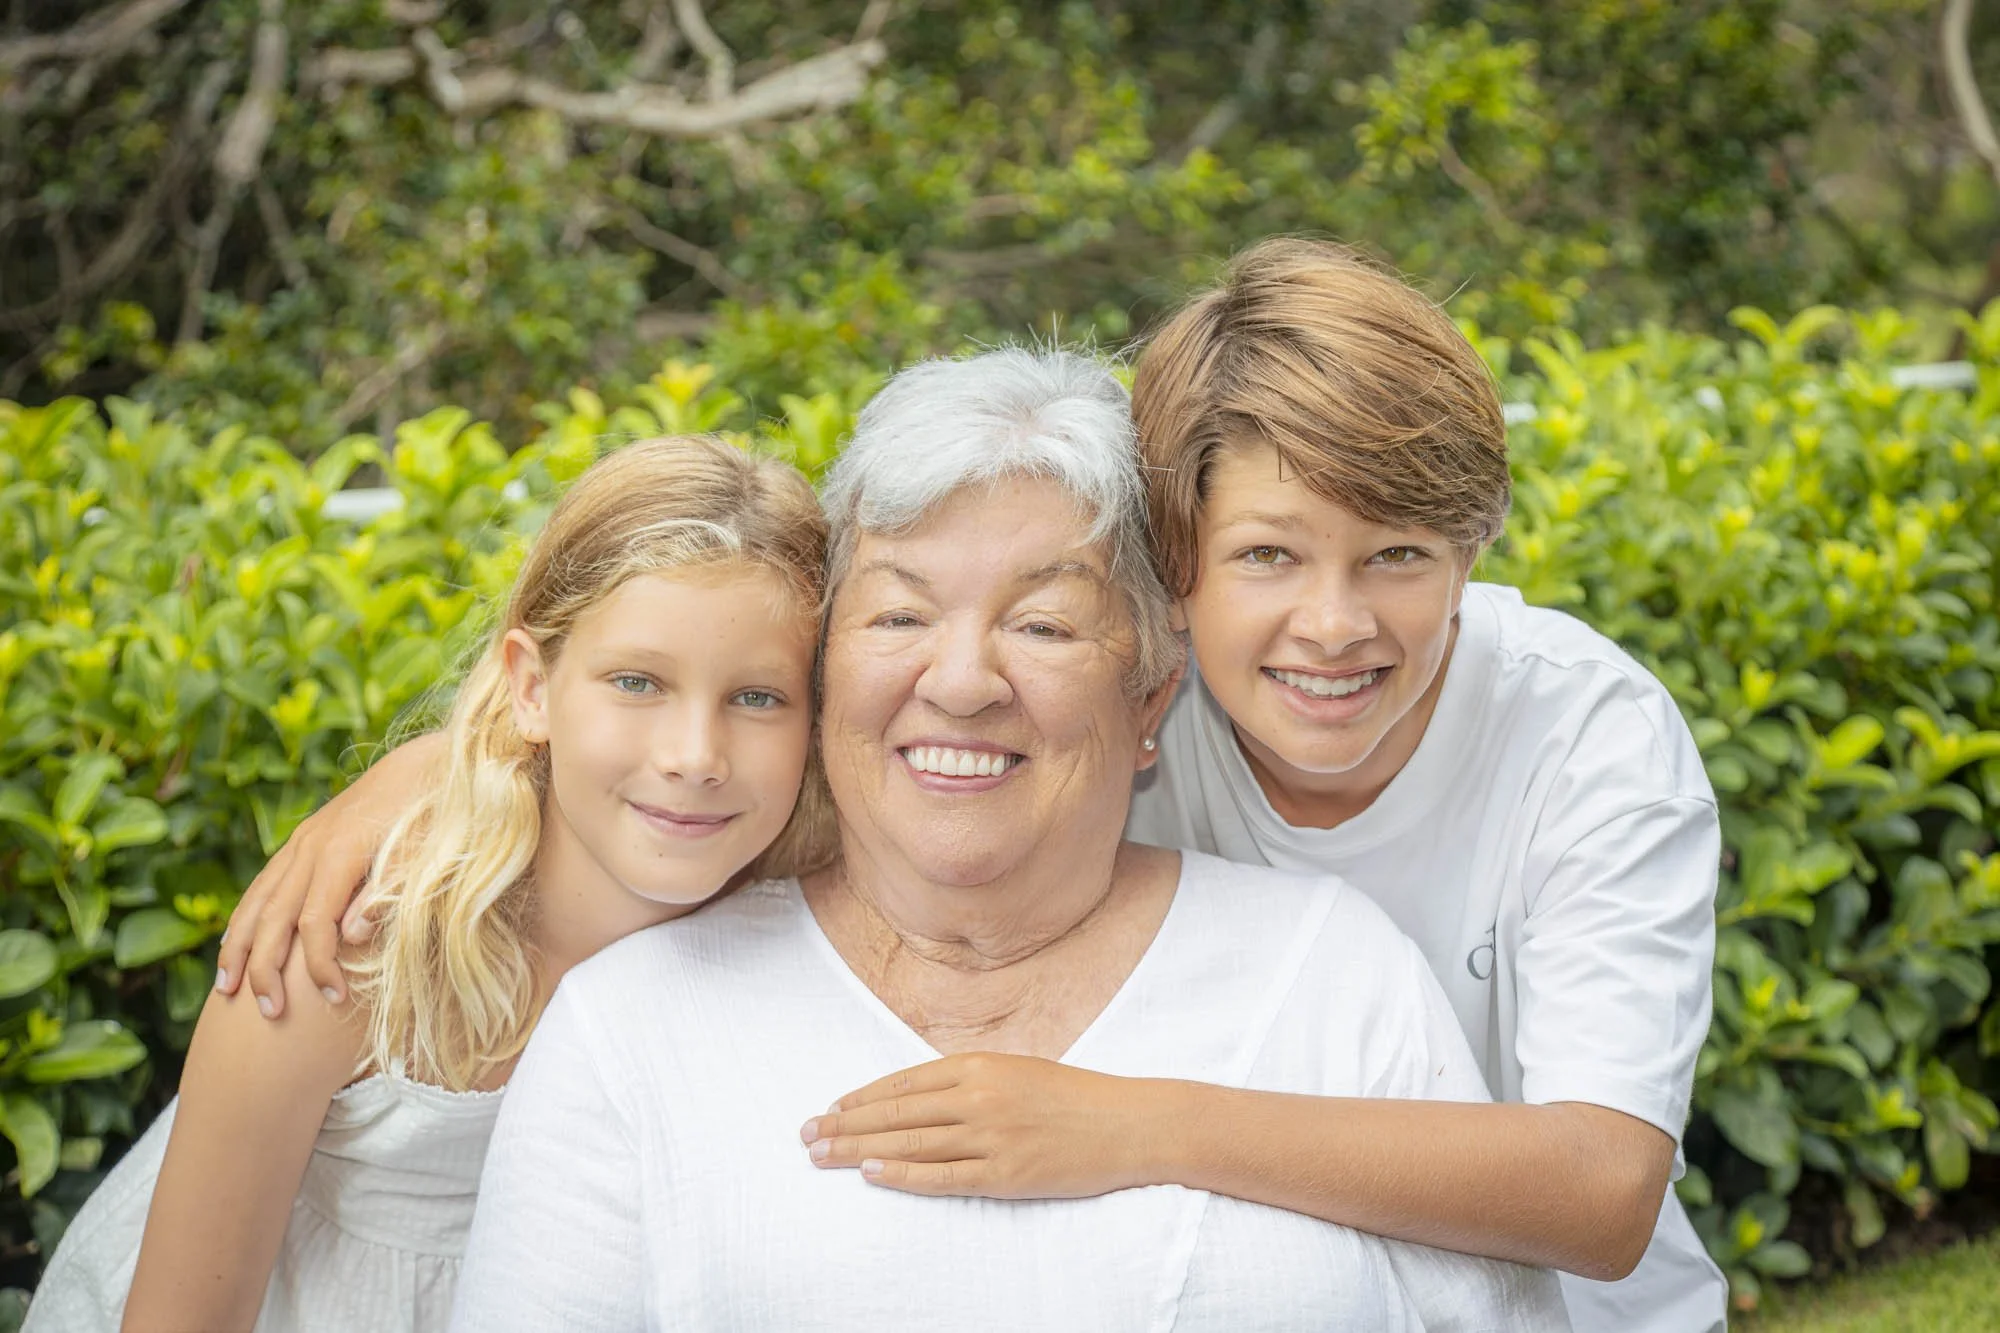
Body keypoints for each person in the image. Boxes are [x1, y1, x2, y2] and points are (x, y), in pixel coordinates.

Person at [445, 348, 1565, 1329]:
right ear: (821, 668)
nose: (965, 680)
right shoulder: (632, 1024)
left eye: (1041, 623)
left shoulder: (1334, 972)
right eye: (898, 615)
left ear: (1149, 697)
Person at [794, 240, 1726, 1332]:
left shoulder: (1584, 736)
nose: (1332, 625)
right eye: (1266, 557)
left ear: (1470, 553)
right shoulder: (1125, 711)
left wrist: (1133, 1126)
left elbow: (1603, 1188)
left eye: (1397, 555)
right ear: (1175, 561)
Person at [26, 435, 830, 1333]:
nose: (694, 757)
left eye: (758, 697)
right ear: (532, 688)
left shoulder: (803, 915)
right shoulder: (349, 944)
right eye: (636, 681)